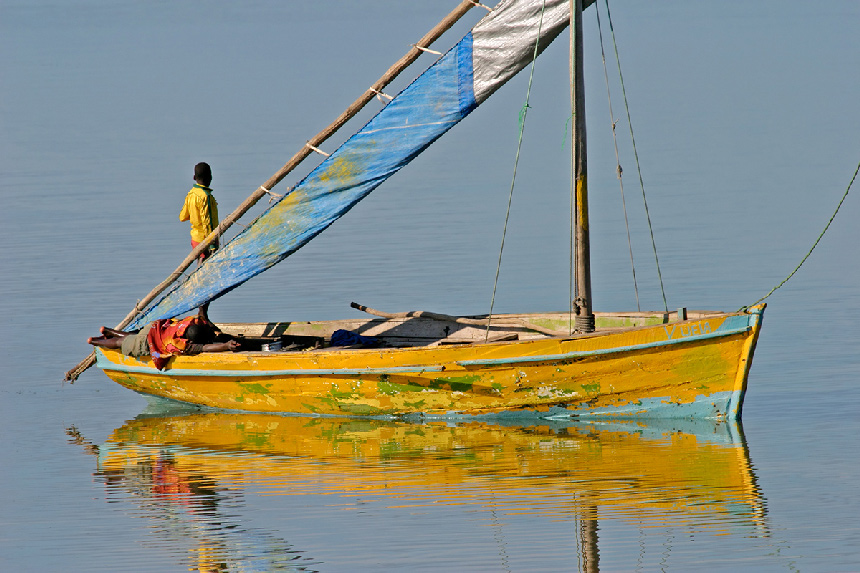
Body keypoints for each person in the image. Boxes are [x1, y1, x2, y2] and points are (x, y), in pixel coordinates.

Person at [88, 309, 239, 370]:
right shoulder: (180, 344)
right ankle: (95, 340)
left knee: (136, 336)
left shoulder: (190, 323)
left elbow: (203, 320)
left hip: (155, 328)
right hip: (151, 341)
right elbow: (206, 348)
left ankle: (108, 331)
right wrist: (226, 346)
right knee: (122, 343)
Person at [179, 162, 219, 262]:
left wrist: (194, 215)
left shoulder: (191, 194)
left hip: (195, 239)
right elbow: (207, 222)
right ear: (210, 177)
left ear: (194, 177)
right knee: (207, 266)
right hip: (206, 241)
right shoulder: (206, 196)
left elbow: (183, 216)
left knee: (200, 264)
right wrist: (212, 244)